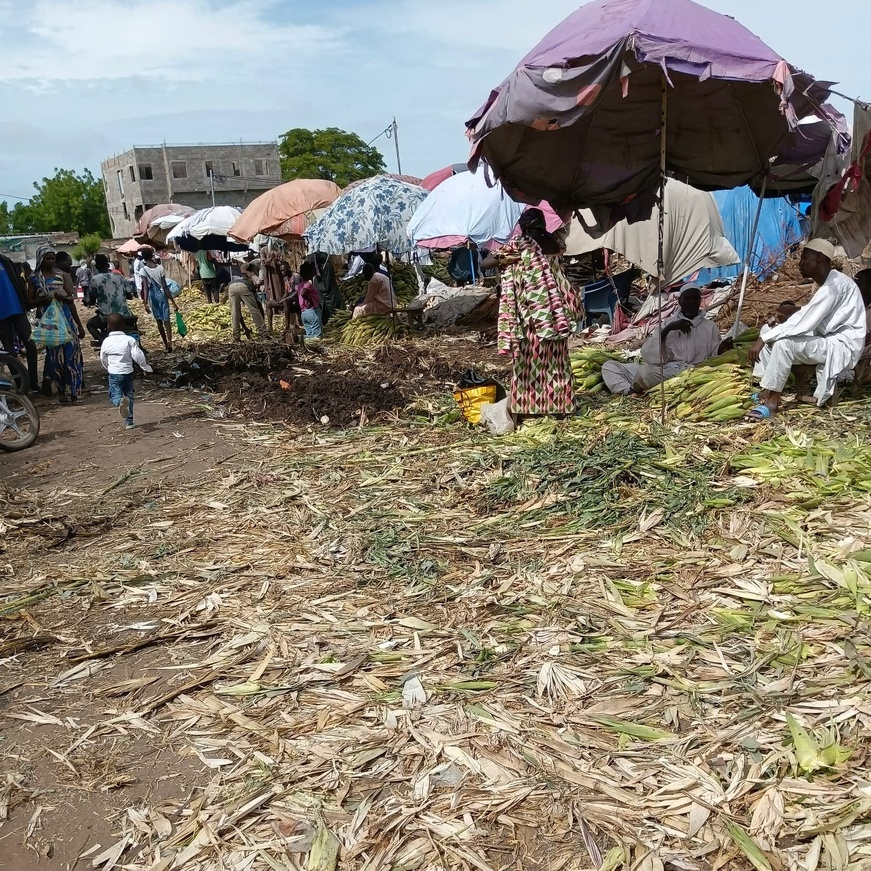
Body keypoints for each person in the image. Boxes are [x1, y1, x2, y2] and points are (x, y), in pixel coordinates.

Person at [747, 239, 865, 419]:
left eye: (805, 259)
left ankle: (772, 403)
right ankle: (767, 389)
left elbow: (806, 321)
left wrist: (761, 341)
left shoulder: (834, 286)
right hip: (826, 336)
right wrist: (770, 330)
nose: (800, 264)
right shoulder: (828, 284)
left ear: (819, 258)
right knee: (767, 331)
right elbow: (807, 315)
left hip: (840, 343)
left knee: (784, 344)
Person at [496, 208, 584, 417]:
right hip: (555, 313)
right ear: (544, 225)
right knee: (557, 361)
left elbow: (486, 262)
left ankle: (527, 408)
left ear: (524, 227)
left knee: (527, 360)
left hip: (530, 312)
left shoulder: (520, 246)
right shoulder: (554, 244)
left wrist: (506, 259)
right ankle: (561, 407)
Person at [602, 285, 728, 395]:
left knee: (645, 374)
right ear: (680, 301)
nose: (692, 303)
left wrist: (722, 348)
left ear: (700, 301)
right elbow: (649, 356)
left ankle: (638, 388)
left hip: (689, 373)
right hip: (666, 370)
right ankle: (628, 391)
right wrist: (668, 330)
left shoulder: (709, 326)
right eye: (687, 299)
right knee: (609, 366)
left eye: (695, 298)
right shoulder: (668, 324)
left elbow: (714, 354)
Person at [30, 245, 85, 403]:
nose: (51, 261)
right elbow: (29, 301)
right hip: (50, 323)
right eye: (48, 258)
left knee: (72, 357)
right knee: (57, 359)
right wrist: (43, 300)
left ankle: (75, 393)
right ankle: (62, 392)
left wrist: (79, 325)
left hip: (67, 321)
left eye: (53, 258)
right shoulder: (34, 278)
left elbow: (71, 300)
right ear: (41, 259)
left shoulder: (62, 275)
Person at [100, 312, 152, 430]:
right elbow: (137, 355)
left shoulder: (106, 342)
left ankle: (119, 402)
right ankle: (129, 422)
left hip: (114, 373)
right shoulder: (129, 340)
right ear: (124, 325)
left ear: (108, 326)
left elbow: (103, 358)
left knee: (115, 394)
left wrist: (108, 367)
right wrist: (145, 366)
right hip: (128, 372)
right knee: (129, 395)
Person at [0, 252, 39, 392]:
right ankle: (22, 385)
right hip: (1, 317)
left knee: (30, 344)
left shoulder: (5, 260)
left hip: (18, 309)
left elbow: (18, 283)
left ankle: (33, 383)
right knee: (9, 352)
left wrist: (25, 303)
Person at [87, 254, 134, 345]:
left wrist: (89, 302)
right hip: (125, 313)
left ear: (96, 266)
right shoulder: (119, 277)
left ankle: (103, 342)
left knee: (90, 324)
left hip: (106, 317)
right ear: (108, 265)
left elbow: (92, 300)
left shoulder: (94, 280)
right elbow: (129, 294)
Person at [140, 250, 179, 352]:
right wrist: (173, 302)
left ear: (144, 258)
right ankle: (170, 341)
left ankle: (165, 344)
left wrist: (145, 303)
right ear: (152, 256)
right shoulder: (160, 268)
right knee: (167, 320)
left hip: (153, 297)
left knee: (159, 321)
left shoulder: (144, 270)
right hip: (162, 296)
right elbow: (165, 286)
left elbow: (145, 288)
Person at [227, 260, 268, 342]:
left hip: (231, 286)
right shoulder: (251, 281)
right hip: (244, 286)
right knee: (254, 310)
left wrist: (245, 328)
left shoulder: (240, 276)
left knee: (235, 312)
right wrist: (262, 322)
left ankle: (236, 337)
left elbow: (239, 315)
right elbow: (258, 307)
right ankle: (264, 334)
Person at [297, 261, 322, 338]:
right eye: (312, 271)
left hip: (304, 313)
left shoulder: (299, 285)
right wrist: (310, 301)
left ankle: (303, 341)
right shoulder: (307, 284)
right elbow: (303, 293)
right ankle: (297, 338)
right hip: (312, 311)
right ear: (309, 273)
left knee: (310, 335)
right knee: (317, 337)